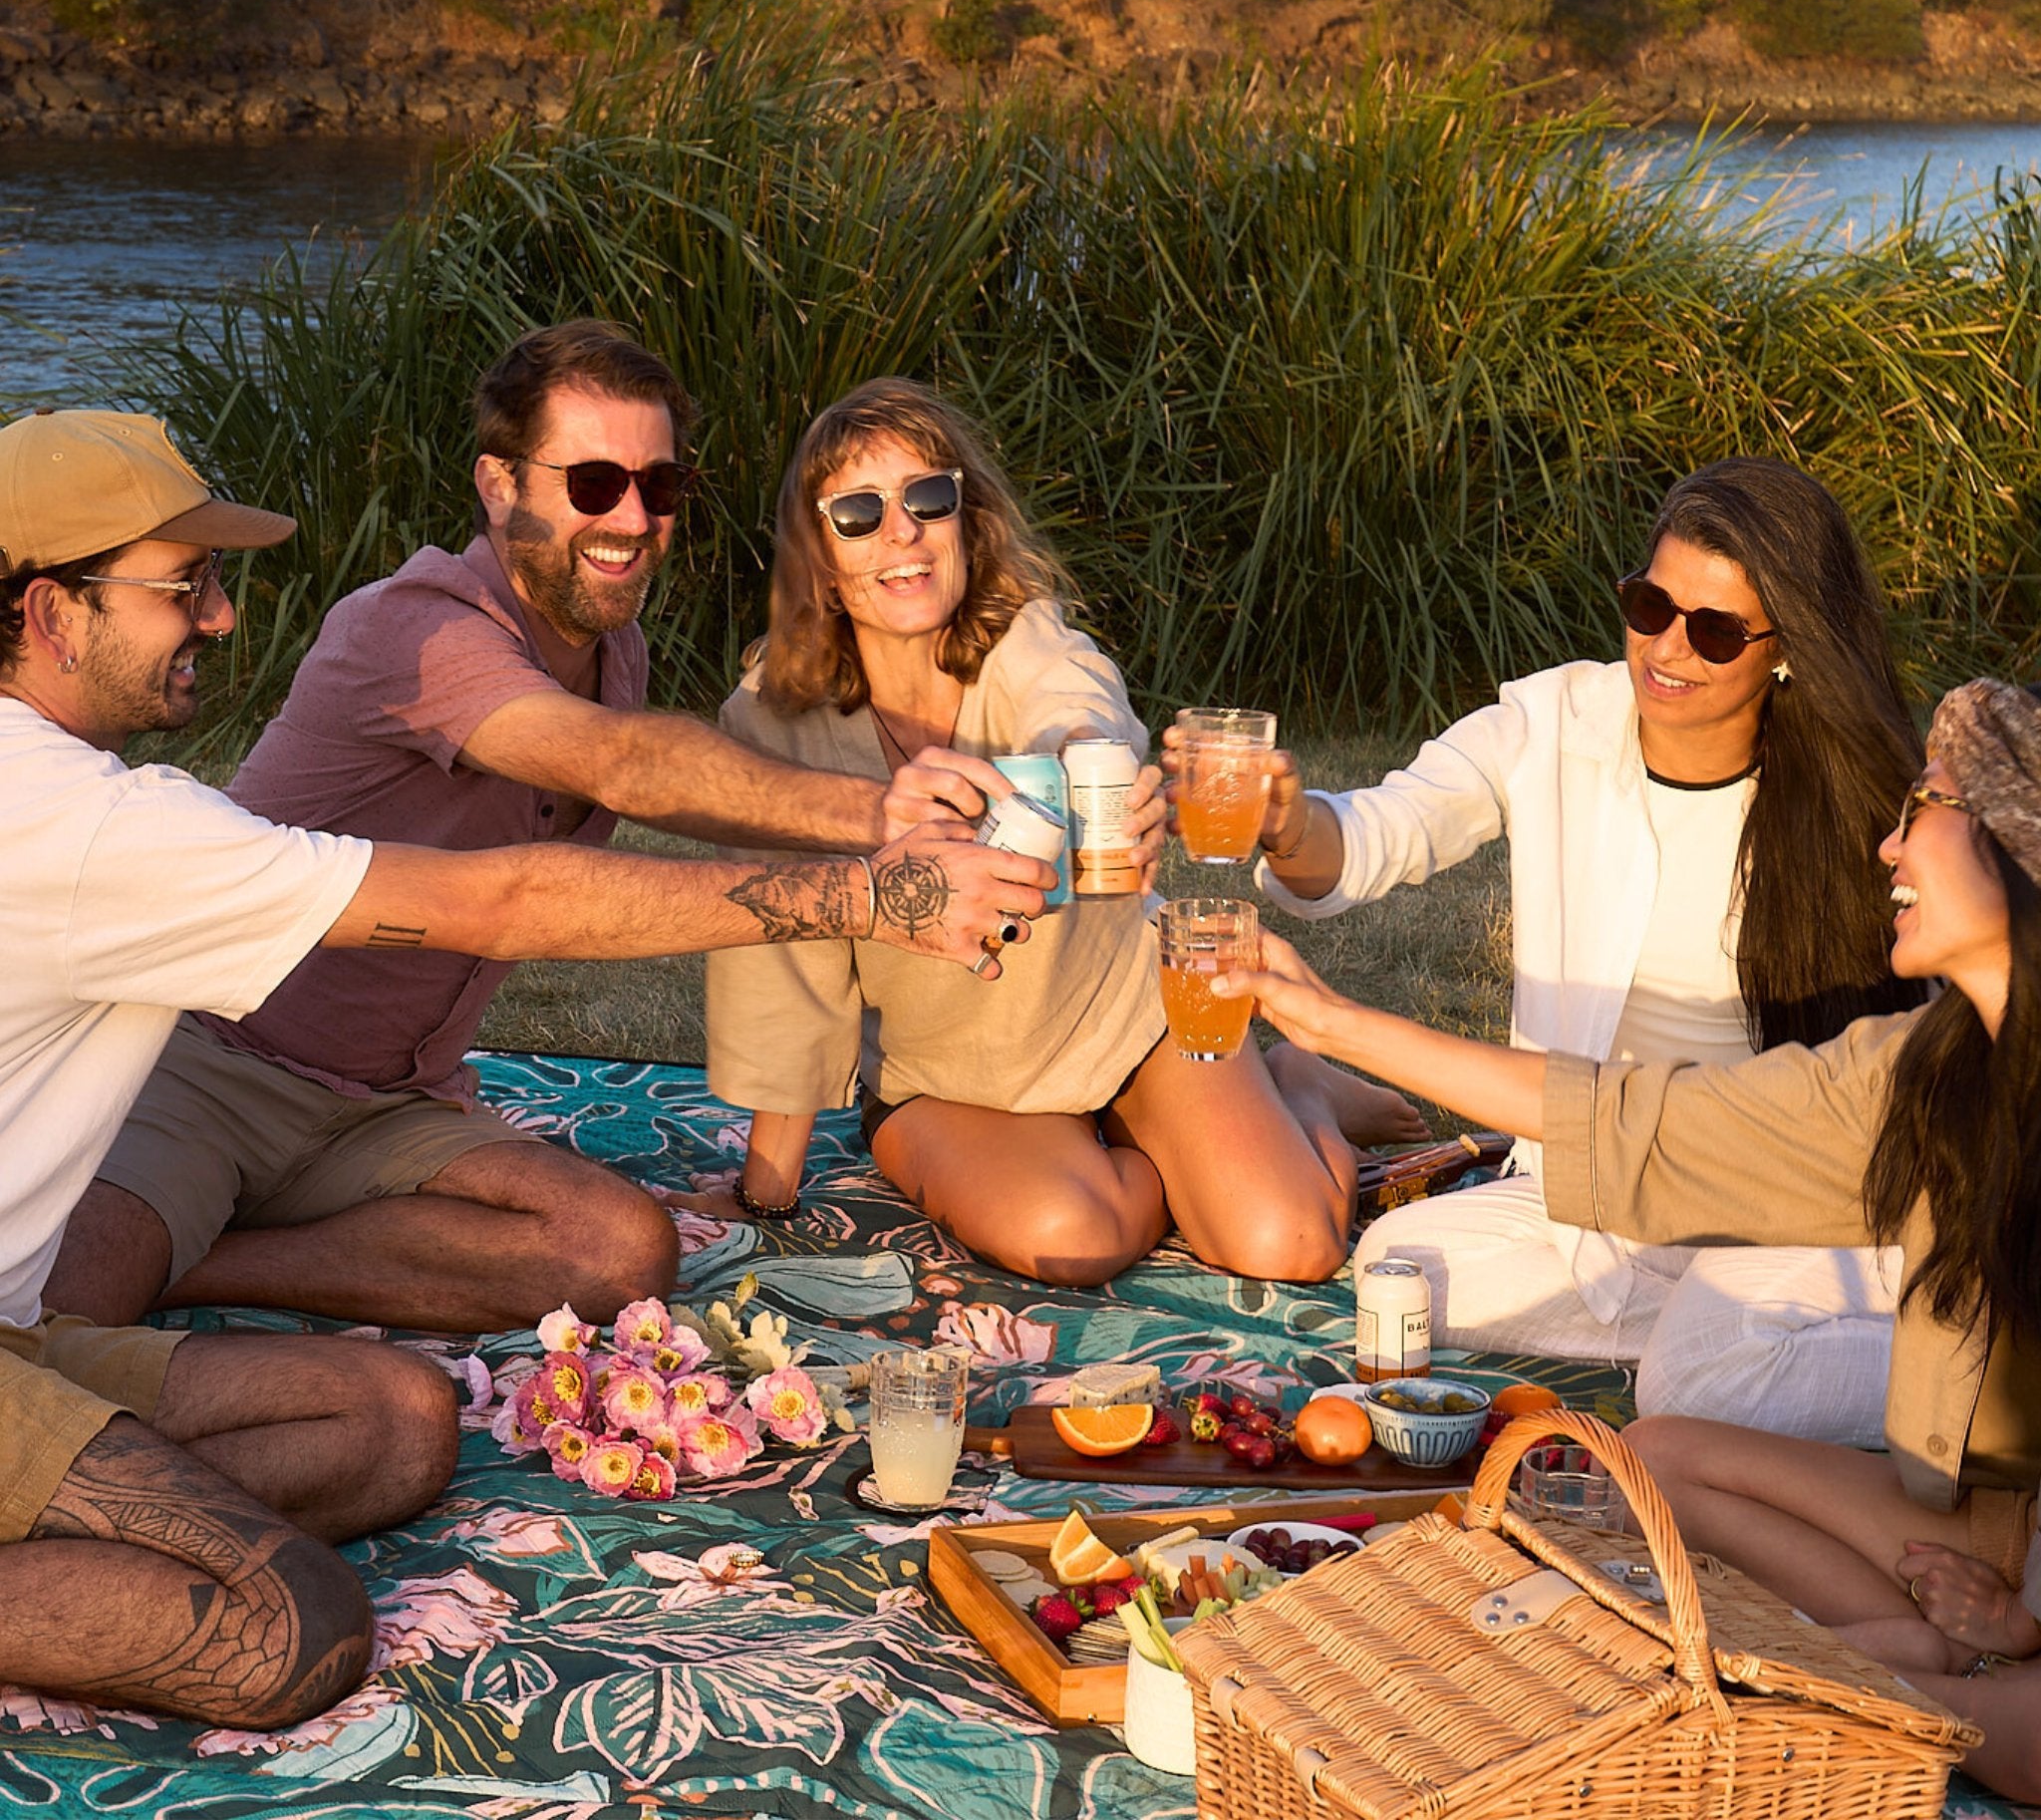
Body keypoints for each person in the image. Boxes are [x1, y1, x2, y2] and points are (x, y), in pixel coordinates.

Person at [0, 405, 1042, 1727]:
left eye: (661, 483)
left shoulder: (73, 799)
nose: (215, 617)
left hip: (44, 1326)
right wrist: (869, 894)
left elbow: (607, 783)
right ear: (47, 611)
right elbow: (503, 898)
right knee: (290, 1628)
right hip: (184, 1142)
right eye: (180, 587)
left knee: (396, 1425)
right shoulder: (101, 824)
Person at [47, 325, 1035, 1340]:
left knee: (620, 1250)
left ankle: (208, 1262)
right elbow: (612, 765)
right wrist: (881, 818)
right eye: (595, 481)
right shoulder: (413, 628)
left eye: (661, 486)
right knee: (52, 1310)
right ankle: (190, 1242)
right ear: (498, 483)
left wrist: (910, 818)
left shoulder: (617, 648)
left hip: (395, 1104)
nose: (633, 517)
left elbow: (662, 782)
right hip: (215, 1065)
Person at [1212, 678, 2041, 1803]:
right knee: (1656, 1453)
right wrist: (1333, 1023)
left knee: (1940, 1706)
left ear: (2017, 848)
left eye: (1928, 807)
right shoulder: (1927, 1069)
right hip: (1996, 1527)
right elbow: (1633, 1117)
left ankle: (1870, 1680)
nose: (1888, 842)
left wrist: (2026, 1618)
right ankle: (1898, 1662)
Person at [1202, 455, 1924, 1443]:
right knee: (1398, 1272)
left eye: (1712, 630)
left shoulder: (1851, 800)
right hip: (1586, 1183)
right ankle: (1735, 1336)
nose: (1667, 648)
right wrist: (1289, 826)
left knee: (1697, 1367)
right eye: (1647, 605)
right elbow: (1381, 830)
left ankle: (1868, 1347)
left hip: (1764, 1191)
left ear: (1785, 647)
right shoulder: (1550, 723)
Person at [705, 377, 1362, 1287]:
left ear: (964, 522)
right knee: (1076, 1238)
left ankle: (1297, 1089)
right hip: (952, 1079)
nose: (901, 532)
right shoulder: (774, 724)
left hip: (1125, 1015)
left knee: (1292, 1244)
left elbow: (1080, 705)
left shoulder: (1024, 638)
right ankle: (1171, 1146)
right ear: (817, 556)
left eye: (927, 499)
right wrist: (767, 1194)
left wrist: (1089, 773)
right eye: (858, 512)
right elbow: (784, 957)